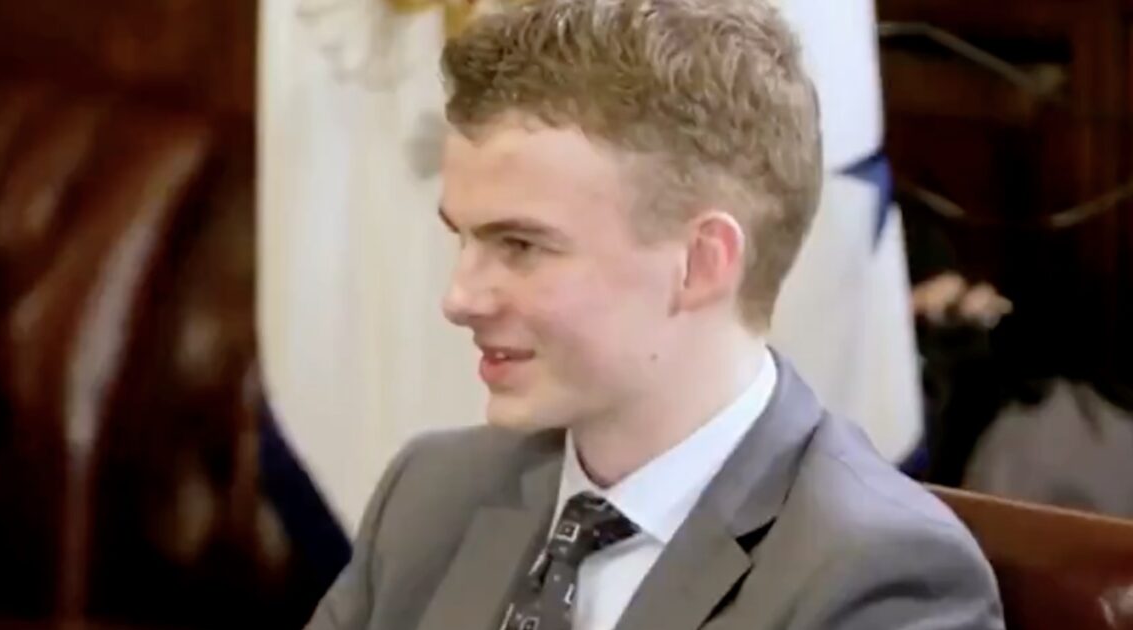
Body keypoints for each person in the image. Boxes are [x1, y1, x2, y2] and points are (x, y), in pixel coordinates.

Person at [305, 0, 1005, 628]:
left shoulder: (880, 574)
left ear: (701, 264)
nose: (459, 299)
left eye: (520, 245)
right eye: (462, 238)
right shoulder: (430, 494)